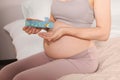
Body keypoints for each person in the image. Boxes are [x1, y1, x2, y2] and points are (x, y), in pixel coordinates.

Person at [0, 0, 111, 80]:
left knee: (21, 78)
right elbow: (54, 23)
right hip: (50, 56)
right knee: (5, 73)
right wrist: (40, 25)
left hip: (80, 59)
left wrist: (66, 30)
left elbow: (103, 33)